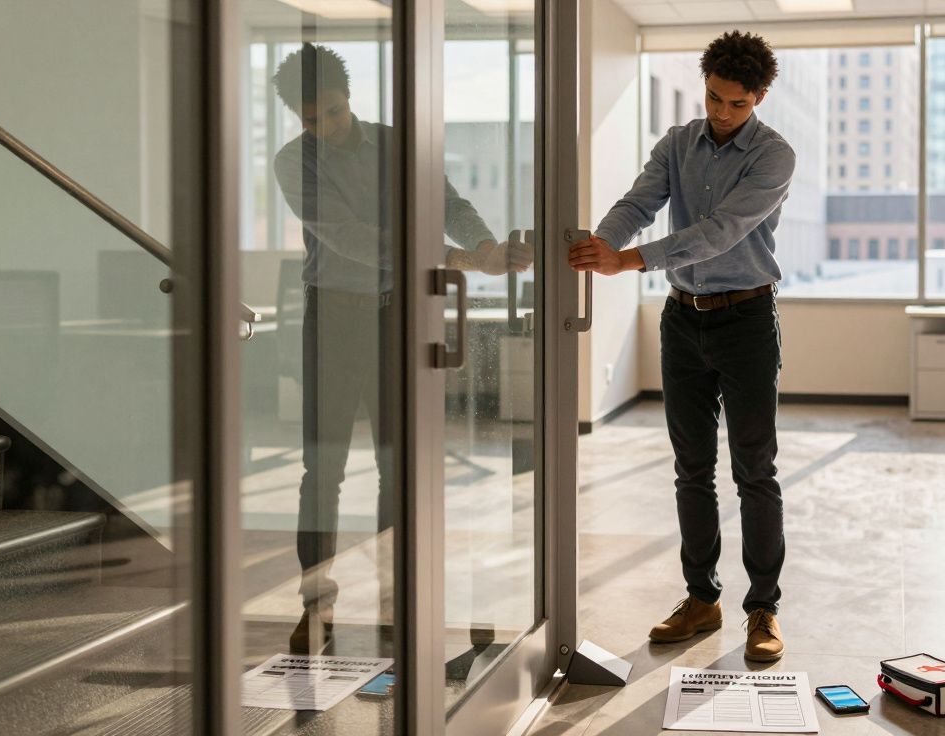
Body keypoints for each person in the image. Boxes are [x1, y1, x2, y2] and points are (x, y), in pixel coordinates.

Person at [272, 43, 526, 654]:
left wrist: (487, 247)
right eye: (311, 120)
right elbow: (350, 239)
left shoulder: (395, 145)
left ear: (349, 99)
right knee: (322, 468)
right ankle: (317, 604)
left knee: (396, 463)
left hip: (396, 318)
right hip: (332, 315)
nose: (326, 128)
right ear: (295, 117)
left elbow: (449, 206)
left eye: (332, 112)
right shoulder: (293, 162)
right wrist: (452, 256)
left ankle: (396, 596)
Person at [568, 30, 795, 662]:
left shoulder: (774, 157)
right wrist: (600, 247)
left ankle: (764, 609)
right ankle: (702, 598)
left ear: (759, 97)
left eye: (737, 104)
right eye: (715, 99)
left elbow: (720, 233)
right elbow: (640, 201)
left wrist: (630, 260)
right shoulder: (677, 144)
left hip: (747, 321)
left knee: (755, 469)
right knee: (691, 468)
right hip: (682, 321)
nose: (722, 113)